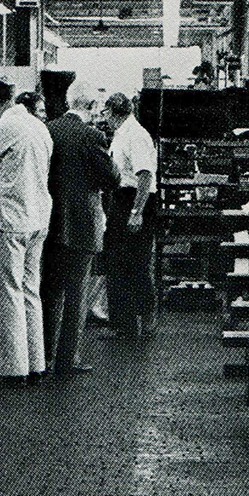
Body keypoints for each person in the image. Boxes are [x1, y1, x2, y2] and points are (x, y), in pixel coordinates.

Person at [0, 80, 54, 385]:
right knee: (30, 292)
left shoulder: (3, 127)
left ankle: (12, 368)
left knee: (6, 294)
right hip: (37, 218)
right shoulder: (39, 127)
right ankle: (36, 363)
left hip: (9, 220)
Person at [42, 85, 120, 376]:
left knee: (49, 293)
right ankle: (67, 359)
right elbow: (111, 177)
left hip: (49, 222)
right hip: (82, 224)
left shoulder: (48, 130)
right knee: (76, 296)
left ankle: (44, 354)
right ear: (89, 105)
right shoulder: (92, 136)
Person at [103, 91, 159, 344]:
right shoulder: (122, 133)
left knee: (136, 264)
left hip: (135, 200)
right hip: (122, 199)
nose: (103, 118)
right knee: (117, 264)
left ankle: (147, 318)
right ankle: (124, 324)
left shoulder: (136, 135)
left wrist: (137, 212)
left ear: (114, 113)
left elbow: (145, 176)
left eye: (105, 113)